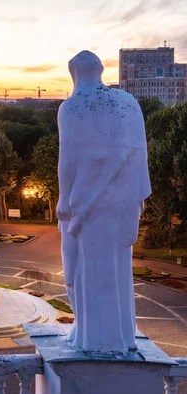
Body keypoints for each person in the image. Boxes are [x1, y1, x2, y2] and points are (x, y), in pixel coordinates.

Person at [57, 51, 151, 353]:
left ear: (74, 73)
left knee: (89, 269)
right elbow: (140, 152)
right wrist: (138, 198)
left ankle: (95, 341)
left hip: (90, 203)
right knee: (118, 270)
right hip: (123, 199)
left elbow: (68, 159)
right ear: (100, 70)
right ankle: (122, 337)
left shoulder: (71, 107)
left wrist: (62, 198)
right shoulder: (129, 102)